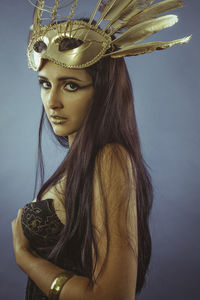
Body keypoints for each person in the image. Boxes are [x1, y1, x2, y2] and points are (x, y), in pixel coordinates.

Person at [11, 1, 191, 299]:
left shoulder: (110, 159)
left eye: (70, 86)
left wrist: (26, 259)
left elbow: (113, 295)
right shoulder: (80, 159)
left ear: (104, 90)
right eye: (45, 84)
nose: (52, 101)